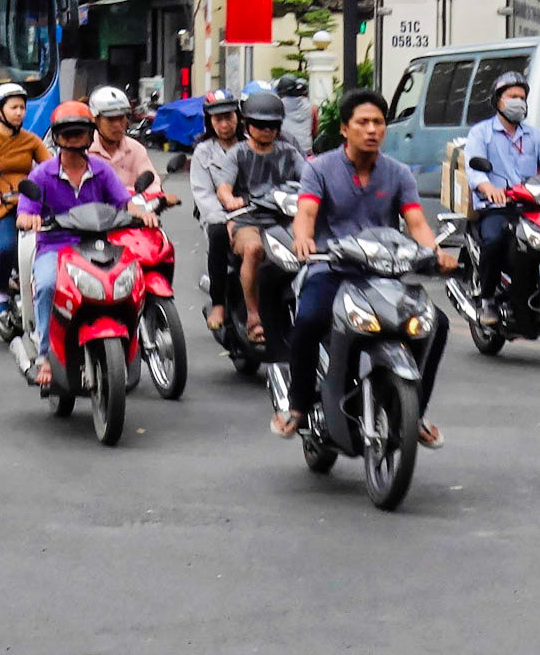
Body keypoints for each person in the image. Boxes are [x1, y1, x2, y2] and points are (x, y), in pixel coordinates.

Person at [274, 90, 456, 445]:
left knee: (437, 324)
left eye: (378, 123)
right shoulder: (319, 169)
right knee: (309, 320)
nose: (372, 130)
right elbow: (306, 213)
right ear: (345, 129)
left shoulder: (398, 173)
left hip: (384, 274)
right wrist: (303, 239)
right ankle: (297, 406)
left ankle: (415, 412)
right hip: (331, 270)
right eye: (363, 122)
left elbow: (417, 223)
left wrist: (435, 253)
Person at [15, 100, 157, 388]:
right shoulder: (42, 174)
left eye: (79, 133)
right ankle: (45, 354)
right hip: (55, 247)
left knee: (130, 282)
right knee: (46, 286)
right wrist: (29, 219)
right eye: (66, 134)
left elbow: (123, 203)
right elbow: (24, 212)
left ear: (89, 135)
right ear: (57, 137)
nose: (73, 139)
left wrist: (141, 213)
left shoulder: (102, 171)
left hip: (97, 245)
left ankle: (132, 342)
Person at [464, 70, 540, 325]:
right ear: (498, 101)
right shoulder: (481, 133)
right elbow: (473, 169)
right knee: (494, 241)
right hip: (497, 207)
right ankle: (487, 300)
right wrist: (487, 187)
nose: (518, 102)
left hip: (531, 207)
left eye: (522, 98)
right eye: (512, 96)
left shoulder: (535, 136)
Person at [215, 90, 306, 348]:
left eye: (272, 125)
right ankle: (253, 316)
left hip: (285, 220)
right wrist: (230, 199)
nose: (267, 130)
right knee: (253, 249)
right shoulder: (238, 153)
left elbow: (311, 180)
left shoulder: (289, 152)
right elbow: (223, 187)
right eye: (260, 125)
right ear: (248, 125)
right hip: (248, 219)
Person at [0, 81, 50, 318]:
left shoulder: (31, 140)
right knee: (7, 246)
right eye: (14, 107)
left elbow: (49, 167)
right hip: (1, 206)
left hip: (30, 203)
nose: (19, 113)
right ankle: (1, 294)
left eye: (22, 108)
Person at [188, 88, 241, 332]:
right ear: (210, 121)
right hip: (217, 215)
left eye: (229, 117)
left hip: (253, 213)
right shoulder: (203, 152)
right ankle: (218, 303)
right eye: (218, 119)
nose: (225, 124)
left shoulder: (249, 144)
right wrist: (225, 219)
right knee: (218, 235)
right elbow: (203, 194)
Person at [86, 85, 151, 188]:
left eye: (121, 118)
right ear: (95, 120)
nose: (117, 125)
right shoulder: (84, 151)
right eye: (110, 119)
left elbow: (153, 185)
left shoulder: (136, 149)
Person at [277, 75, 314, 155]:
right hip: (307, 150)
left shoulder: (278, 105)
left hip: (286, 150)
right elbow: (314, 129)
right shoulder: (309, 105)